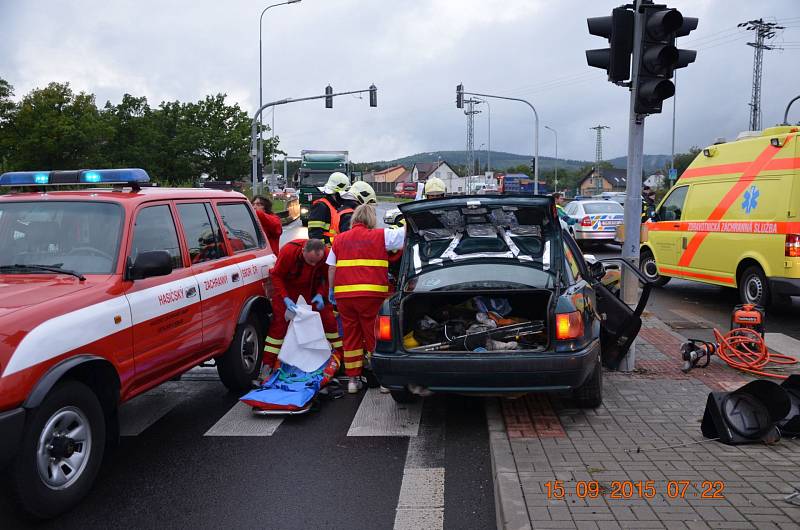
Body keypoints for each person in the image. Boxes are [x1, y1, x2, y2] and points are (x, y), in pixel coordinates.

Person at [327, 204, 405, 394]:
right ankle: (383, 381)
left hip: (344, 296)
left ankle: (353, 381)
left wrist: (331, 290)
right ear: (371, 219)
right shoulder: (381, 235)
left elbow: (331, 267)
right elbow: (404, 236)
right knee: (374, 336)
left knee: (351, 336)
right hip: (372, 295)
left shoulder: (339, 239)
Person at [260, 238, 343, 381]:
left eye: (317, 262)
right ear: (303, 250)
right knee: (279, 327)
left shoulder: (325, 254)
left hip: (312, 290)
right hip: (288, 289)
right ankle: (267, 365)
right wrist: (285, 297)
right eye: (310, 261)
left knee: (329, 322)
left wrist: (321, 294)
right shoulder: (289, 252)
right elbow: (276, 275)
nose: (313, 265)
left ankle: (340, 358)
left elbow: (327, 277)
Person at [308, 172, 350, 245]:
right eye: (342, 194)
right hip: (326, 252)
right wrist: (323, 251)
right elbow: (315, 234)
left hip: (335, 250)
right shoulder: (320, 206)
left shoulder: (336, 206)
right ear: (334, 193)